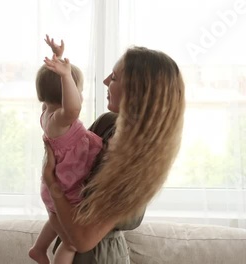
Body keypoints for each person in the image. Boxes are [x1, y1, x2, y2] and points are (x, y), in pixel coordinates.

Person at [42, 43, 185, 263]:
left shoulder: (139, 160)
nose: (105, 81)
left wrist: (50, 182)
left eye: (115, 77)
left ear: (138, 91)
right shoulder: (106, 124)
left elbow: (82, 239)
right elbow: (65, 167)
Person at [29, 35, 103, 264]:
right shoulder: (60, 119)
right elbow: (73, 107)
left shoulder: (47, 112)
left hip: (58, 186)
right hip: (67, 191)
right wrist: (65, 75)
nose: (79, 94)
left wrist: (57, 60)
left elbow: (54, 86)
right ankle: (43, 252)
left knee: (55, 220)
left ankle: (38, 250)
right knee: (71, 242)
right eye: (77, 88)